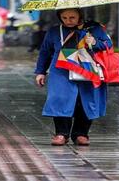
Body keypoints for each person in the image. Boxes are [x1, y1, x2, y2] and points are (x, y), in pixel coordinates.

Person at [35, 8, 112, 146]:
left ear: (80, 16)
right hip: (60, 70)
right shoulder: (54, 31)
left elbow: (107, 44)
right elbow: (45, 52)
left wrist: (94, 42)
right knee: (60, 99)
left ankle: (81, 134)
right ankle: (61, 134)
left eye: (72, 17)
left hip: (87, 69)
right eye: (64, 18)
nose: (68, 21)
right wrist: (40, 71)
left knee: (85, 100)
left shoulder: (94, 28)